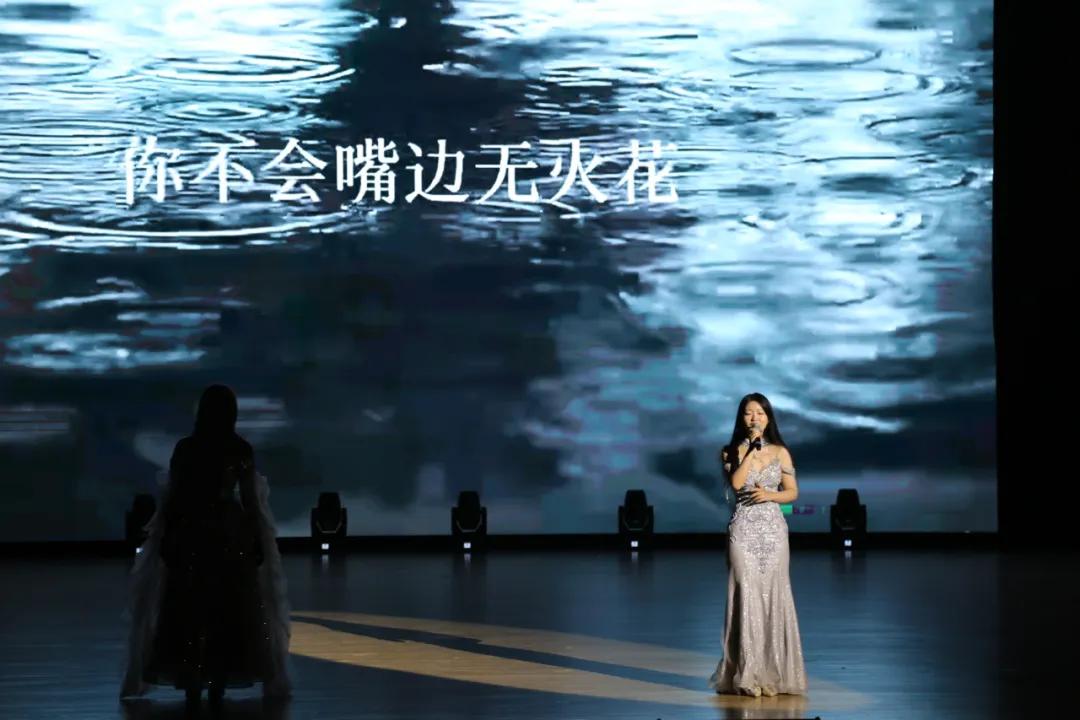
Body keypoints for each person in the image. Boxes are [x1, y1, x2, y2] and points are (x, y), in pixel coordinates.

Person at [120, 384, 291, 705]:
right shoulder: (239, 448)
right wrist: (257, 539)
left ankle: (192, 681)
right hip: (227, 532)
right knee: (226, 608)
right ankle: (217, 682)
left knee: (190, 606)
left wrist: (168, 536)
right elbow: (250, 501)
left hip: (193, 531)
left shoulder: (187, 448)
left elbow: (175, 497)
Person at [709, 393, 807, 697]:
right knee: (746, 594)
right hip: (744, 530)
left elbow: (792, 492)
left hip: (773, 530)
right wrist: (751, 451)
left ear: (768, 418)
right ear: (741, 418)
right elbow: (737, 484)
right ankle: (746, 673)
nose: (755, 418)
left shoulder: (781, 452)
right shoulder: (730, 451)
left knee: (774, 594)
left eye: (760, 413)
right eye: (749, 413)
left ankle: (774, 672)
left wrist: (770, 495)